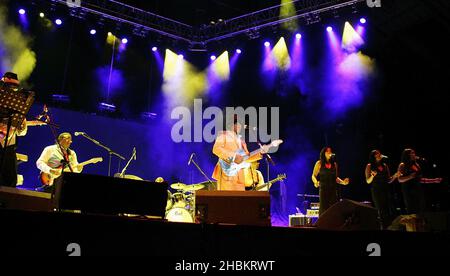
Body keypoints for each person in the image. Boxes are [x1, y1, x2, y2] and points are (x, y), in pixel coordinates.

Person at [212, 116, 266, 191]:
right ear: (230, 125)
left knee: (239, 199)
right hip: (226, 173)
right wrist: (233, 156)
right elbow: (216, 149)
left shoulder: (241, 141)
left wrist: (260, 153)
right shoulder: (223, 135)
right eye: (237, 124)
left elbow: (245, 158)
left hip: (240, 174)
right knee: (226, 199)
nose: (240, 126)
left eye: (240, 124)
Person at [0, 72, 28, 187]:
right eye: (8, 87)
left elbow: (22, 132)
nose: (12, 90)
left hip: (9, 145)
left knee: (10, 179)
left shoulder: (17, 105)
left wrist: (21, 124)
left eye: (14, 88)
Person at [397, 148, 442, 214]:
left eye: (414, 153)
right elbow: (399, 179)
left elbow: (420, 179)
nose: (414, 154)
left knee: (421, 209)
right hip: (408, 191)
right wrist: (410, 176)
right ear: (407, 155)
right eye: (412, 153)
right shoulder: (402, 165)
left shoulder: (417, 165)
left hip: (418, 190)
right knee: (412, 211)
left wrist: (434, 180)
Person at [365, 150, 399, 229]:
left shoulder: (385, 165)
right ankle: (382, 227)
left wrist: (395, 176)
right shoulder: (369, 166)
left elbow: (388, 180)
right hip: (376, 190)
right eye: (377, 153)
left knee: (387, 209)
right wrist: (372, 176)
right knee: (380, 210)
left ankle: (389, 227)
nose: (379, 154)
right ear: (373, 156)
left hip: (385, 189)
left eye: (379, 153)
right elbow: (368, 181)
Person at [312, 147, 350, 216]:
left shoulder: (334, 164)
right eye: (327, 151)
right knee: (323, 208)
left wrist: (343, 182)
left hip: (333, 189)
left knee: (333, 208)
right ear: (324, 153)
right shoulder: (319, 163)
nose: (329, 153)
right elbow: (313, 175)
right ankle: (322, 225)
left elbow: (336, 178)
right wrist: (316, 182)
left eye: (330, 151)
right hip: (323, 189)